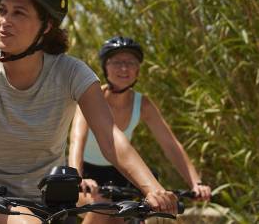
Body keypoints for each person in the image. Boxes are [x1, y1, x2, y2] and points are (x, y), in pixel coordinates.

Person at [0, 0, 178, 223]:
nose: (4, 21)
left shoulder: (71, 72)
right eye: (2, 10)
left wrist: (152, 188)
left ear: (46, 26)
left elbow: (110, 138)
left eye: (18, 12)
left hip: (51, 199)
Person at [69, 36, 212, 223]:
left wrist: (196, 183)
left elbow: (170, 145)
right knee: (103, 207)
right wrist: (77, 178)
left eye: (130, 62)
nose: (124, 68)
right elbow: (76, 140)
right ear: (105, 67)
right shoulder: (92, 98)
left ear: (138, 69)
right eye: (117, 62)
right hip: (88, 176)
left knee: (144, 213)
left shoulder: (142, 104)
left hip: (122, 175)